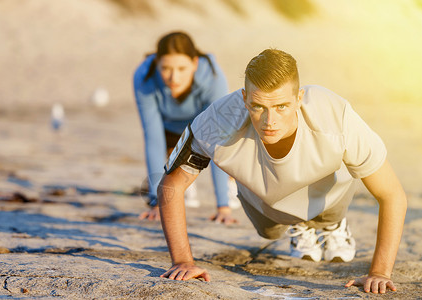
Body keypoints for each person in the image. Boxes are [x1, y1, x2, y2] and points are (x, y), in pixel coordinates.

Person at [157, 49, 407, 294]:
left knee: (328, 209)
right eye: (257, 107)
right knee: (268, 231)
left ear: (300, 98)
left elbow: (392, 195)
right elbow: (170, 185)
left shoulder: (335, 116)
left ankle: (330, 225)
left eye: (281, 106)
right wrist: (182, 261)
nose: (269, 121)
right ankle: (300, 227)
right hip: (264, 197)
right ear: (244, 98)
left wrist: (380, 272)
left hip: (327, 193)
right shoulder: (216, 121)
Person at [133, 31, 238, 224]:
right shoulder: (143, 77)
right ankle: (183, 183)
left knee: (230, 142)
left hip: (205, 126)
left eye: (182, 68)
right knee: (169, 164)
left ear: (195, 63)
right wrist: (157, 204)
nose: (174, 77)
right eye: (165, 68)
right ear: (156, 63)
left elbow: (218, 139)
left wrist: (223, 207)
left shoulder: (213, 77)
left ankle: (230, 186)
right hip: (172, 130)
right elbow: (153, 139)